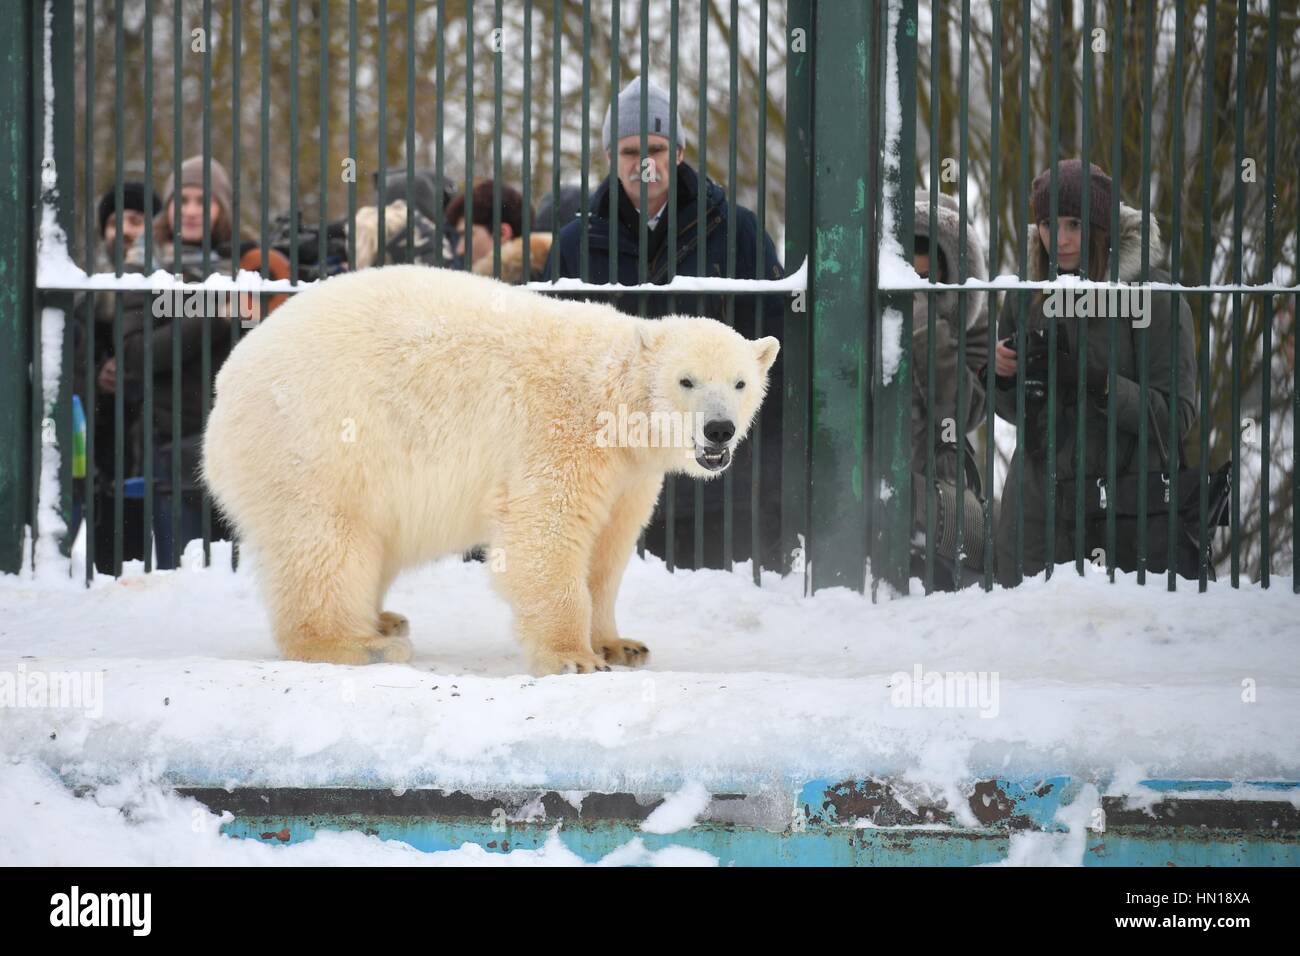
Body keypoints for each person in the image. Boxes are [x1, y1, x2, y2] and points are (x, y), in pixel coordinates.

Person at [545, 76, 787, 572]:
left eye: (656, 148)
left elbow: (771, 350)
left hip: (718, 493)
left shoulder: (737, 232)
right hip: (613, 470)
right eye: (632, 151)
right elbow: (553, 357)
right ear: (612, 156)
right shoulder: (575, 242)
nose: (645, 163)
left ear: (678, 152)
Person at [990, 159, 1197, 583]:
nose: (1060, 239)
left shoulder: (1155, 300)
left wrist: (1098, 383)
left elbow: (1176, 417)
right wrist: (1003, 377)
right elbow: (1016, 414)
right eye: (1048, 224)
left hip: (1124, 514)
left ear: (1101, 227)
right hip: (1036, 519)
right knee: (1025, 647)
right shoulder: (1026, 296)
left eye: (1074, 224)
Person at [117, 156, 263, 568]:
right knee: (179, 576)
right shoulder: (142, 266)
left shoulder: (248, 264)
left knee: (241, 579)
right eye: (181, 199)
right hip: (170, 443)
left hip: (240, 444)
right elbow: (136, 355)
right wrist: (214, 315)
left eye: (203, 200)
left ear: (221, 207)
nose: (193, 210)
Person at [70, 180, 163, 572]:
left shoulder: (168, 288)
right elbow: (63, 366)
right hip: (93, 446)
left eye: (137, 220)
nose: (124, 230)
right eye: (115, 222)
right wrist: (94, 376)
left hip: (150, 437)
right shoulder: (82, 293)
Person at [909, 190, 993, 588]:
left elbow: (963, 411)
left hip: (938, 492)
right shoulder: (861, 314)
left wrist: (925, 327)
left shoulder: (972, 318)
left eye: (927, 275)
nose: (917, 283)